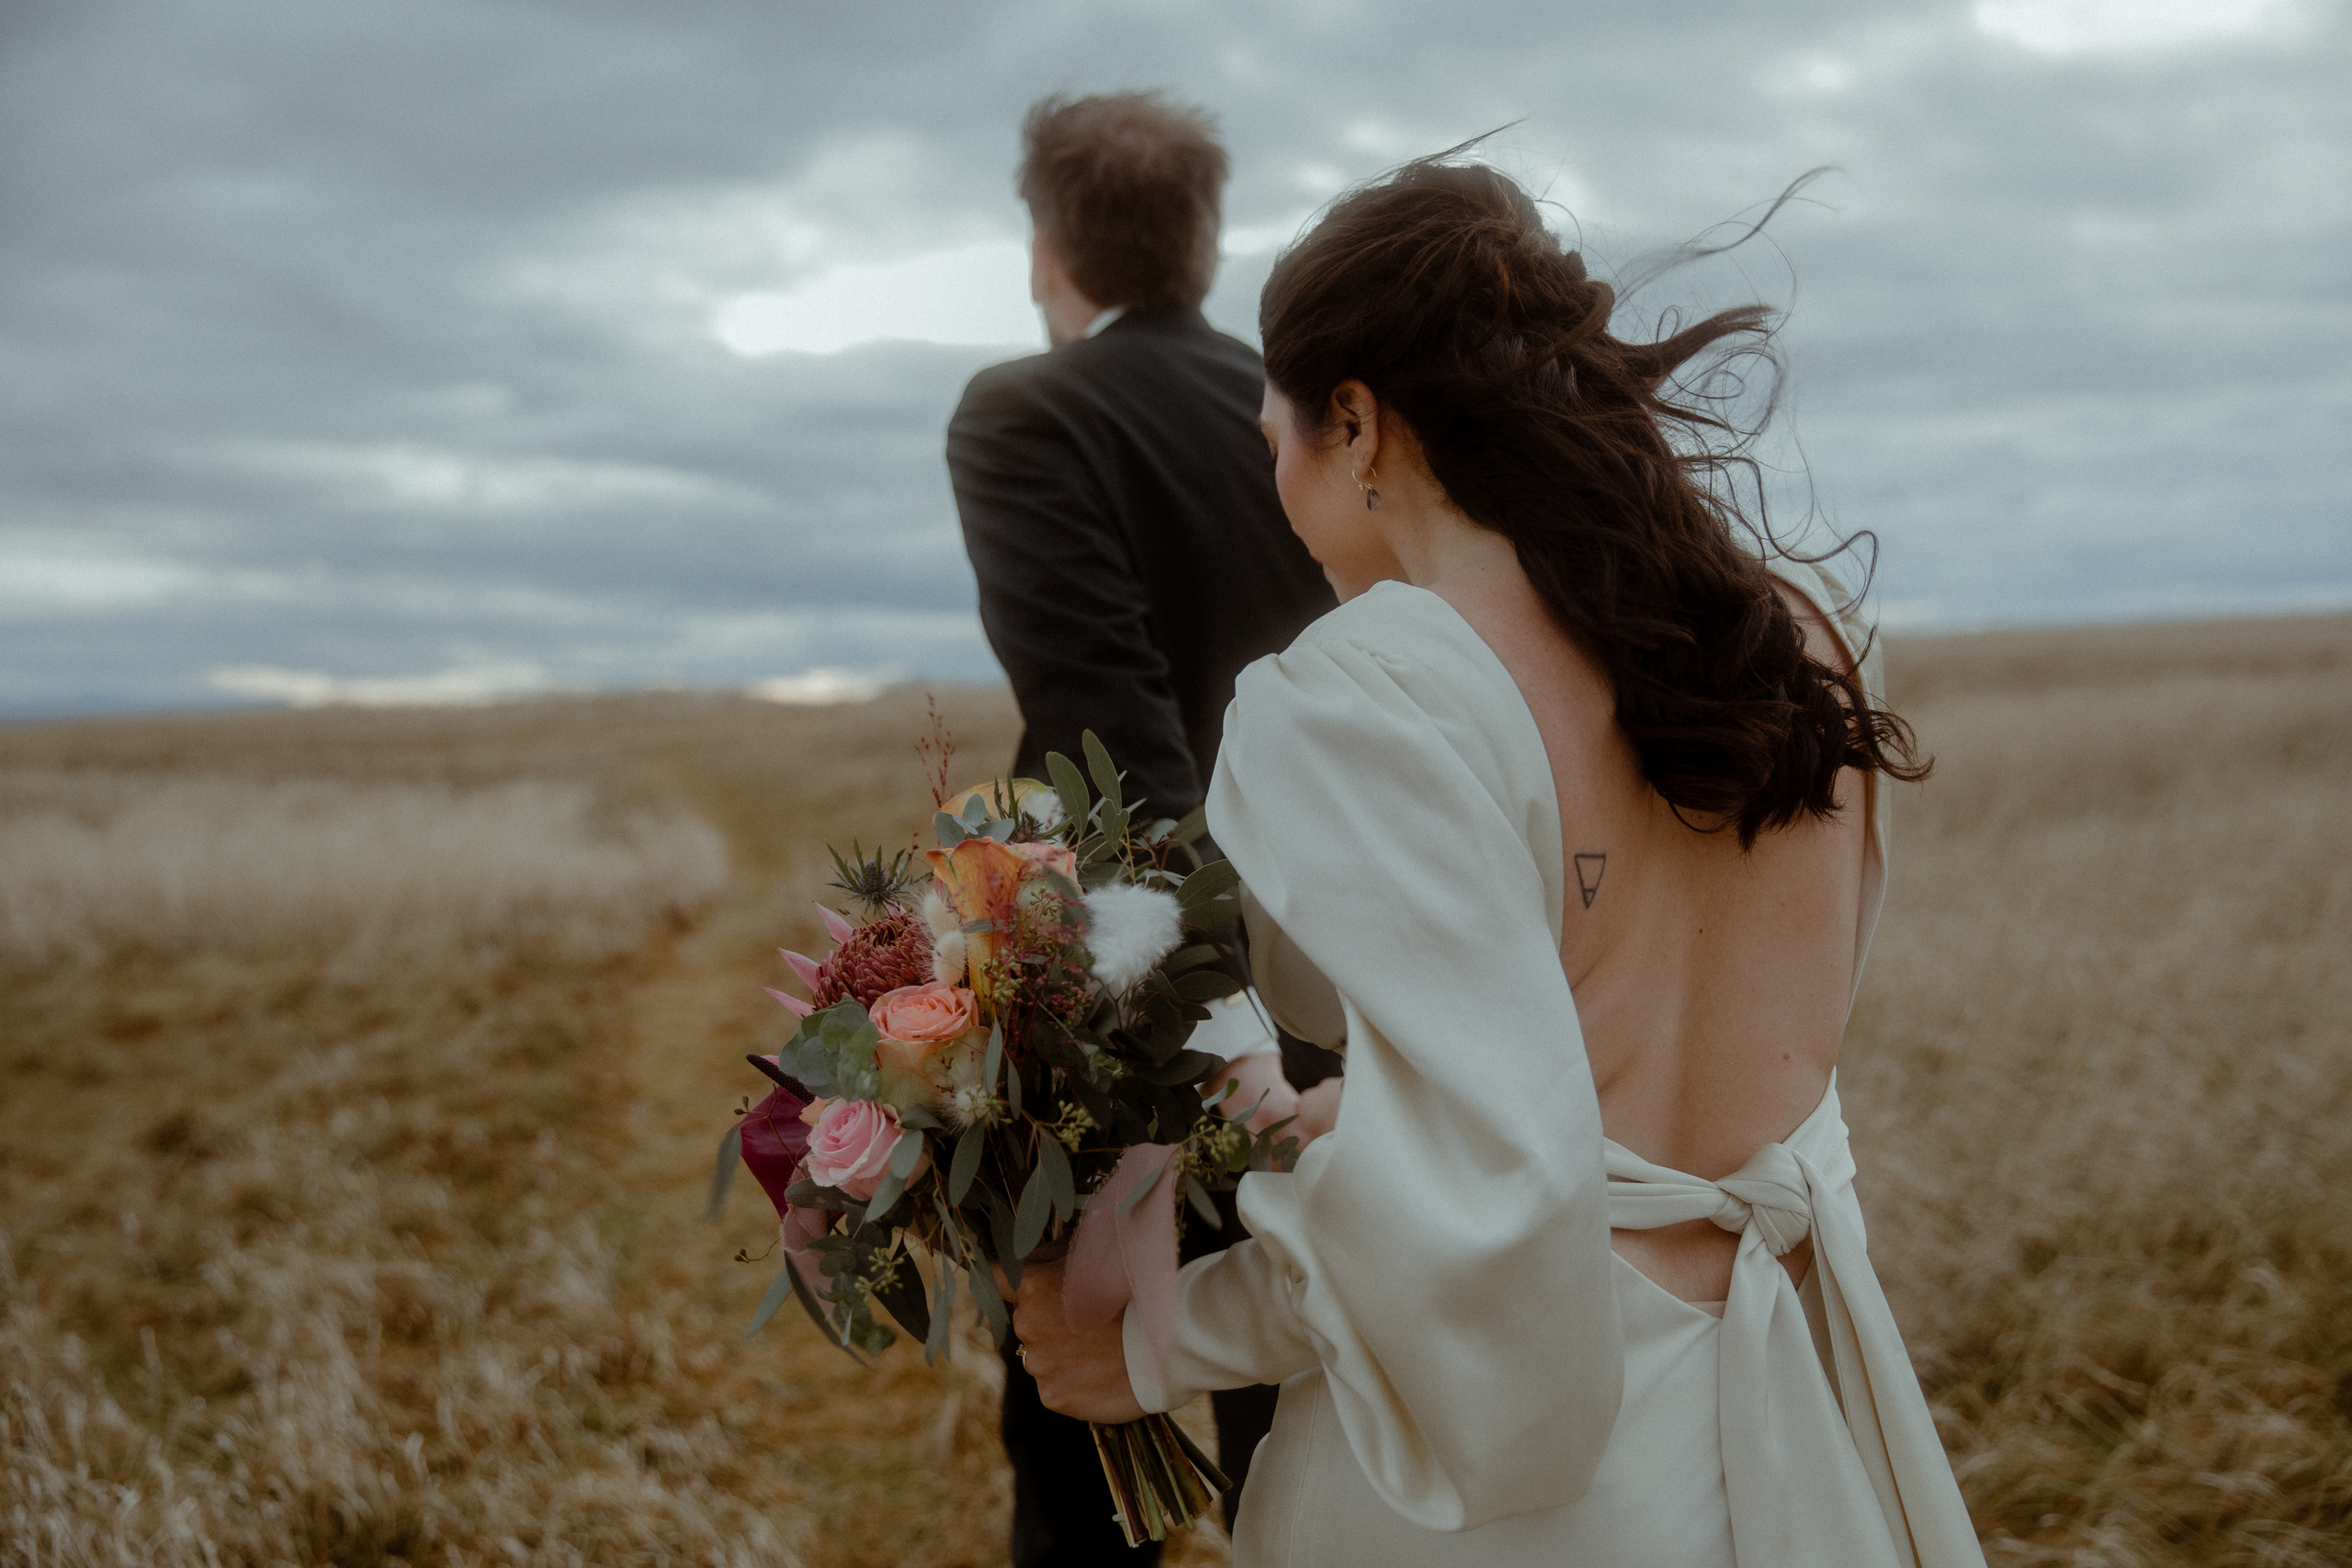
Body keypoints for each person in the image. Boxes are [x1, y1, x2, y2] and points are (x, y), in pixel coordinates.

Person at [1011, 154, 1990, 1568]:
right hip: (1805, 1400)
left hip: (1546, 1478)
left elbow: (1497, 1199)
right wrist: (1379, 1111)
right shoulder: (1803, 627)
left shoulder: (1363, 688)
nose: (1276, 487)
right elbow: (1634, 1079)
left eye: (1272, 436)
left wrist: (1162, 1340)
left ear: (1355, 423)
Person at [944, 91, 1338, 1565]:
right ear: (1204, 241)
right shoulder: (1285, 409)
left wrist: (1204, 1034)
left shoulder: (1023, 410)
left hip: (1152, 972)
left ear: (1046, 245)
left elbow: (1104, 732)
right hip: (1346, 961)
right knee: (1285, 1391)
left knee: (1071, 1403)